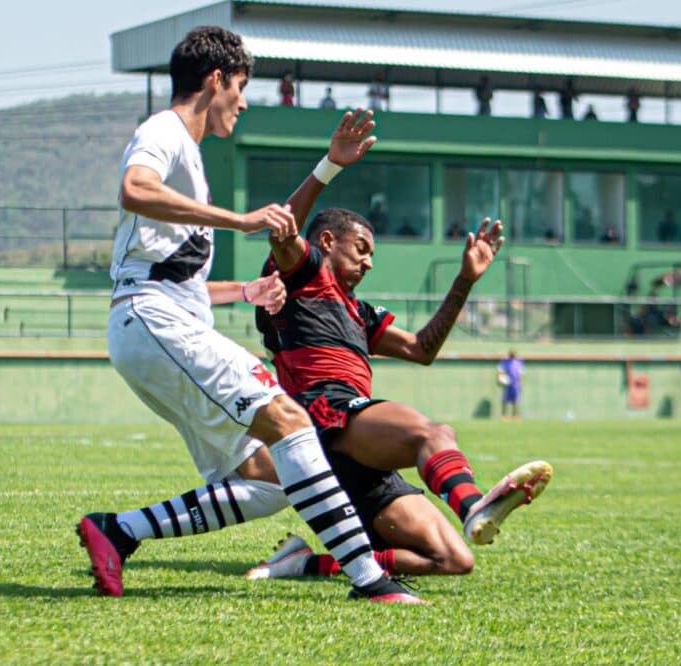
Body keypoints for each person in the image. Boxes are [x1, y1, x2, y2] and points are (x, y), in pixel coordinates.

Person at [76, 26, 421, 604]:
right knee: (294, 422)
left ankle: (119, 532)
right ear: (216, 80)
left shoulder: (189, 154)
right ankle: (369, 579)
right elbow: (134, 188)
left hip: (154, 324)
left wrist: (247, 291)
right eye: (240, 86)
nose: (243, 100)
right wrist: (234, 220)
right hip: (153, 322)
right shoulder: (164, 131)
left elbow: (175, 273)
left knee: (269, 476)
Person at [248, 172, 551, 577]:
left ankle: (304, 563)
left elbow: (421, 349)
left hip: (356, 442)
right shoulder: (302, 278)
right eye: (361, 249)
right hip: (323, 415)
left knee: (453, 560)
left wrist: (465, 280)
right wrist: (330, 166)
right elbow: (282, 233)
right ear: (325, 242)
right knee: (433, 433)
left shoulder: (358, 311)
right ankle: (473, 504)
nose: (369, 262)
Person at [498, 350, 524, 420]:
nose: (513, 356)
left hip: (515, 384)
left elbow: (520, 374)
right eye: (512, 354)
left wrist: (520, 383)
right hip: (507, 384)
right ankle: (504, 415)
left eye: (514, 354)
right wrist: (501, 379)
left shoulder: (518, 362)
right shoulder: (505, 362)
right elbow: (500, 371)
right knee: (504, 400)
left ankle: (515, 415)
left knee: (515, 401)